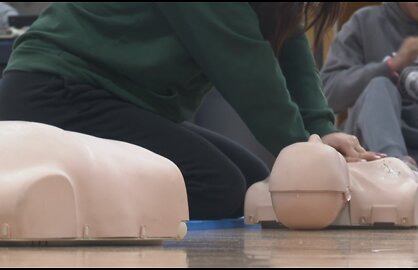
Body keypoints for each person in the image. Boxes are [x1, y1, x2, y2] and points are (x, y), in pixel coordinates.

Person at [0, 3, 380, 220]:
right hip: (57, 90)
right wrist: (308, 155)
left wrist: (321, 129)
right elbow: (247, 70)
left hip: (115, 96)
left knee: (251, 181)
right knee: (218, 188)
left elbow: (289, 41)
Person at [320, 2, 418, 210]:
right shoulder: (364, 22)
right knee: (379, 85)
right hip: (374, 158)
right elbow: (328, 95)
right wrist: (391, 66)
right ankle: (398, 174)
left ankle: (399, 196)